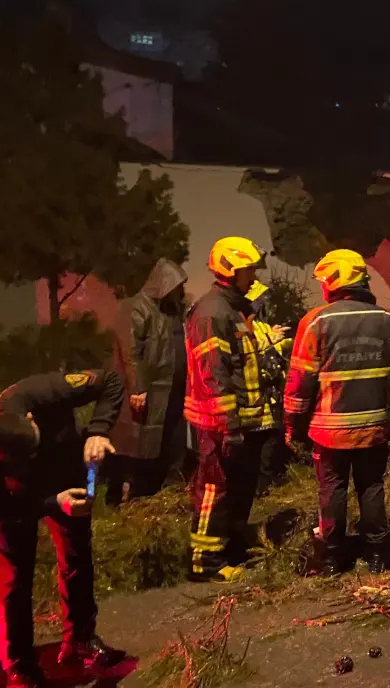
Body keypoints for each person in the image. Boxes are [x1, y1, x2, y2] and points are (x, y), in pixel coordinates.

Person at [0, 370, 127, 687]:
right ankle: (18, 664)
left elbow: (111, 381)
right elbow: (2, 513)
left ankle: (80, 640)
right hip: (17, 497)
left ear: (30, 417)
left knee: (77, 555)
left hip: (62, 471)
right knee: (15, 574)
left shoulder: (42, 391)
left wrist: (98, 431)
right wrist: (51, 503)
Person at [284, 249, 390, 575]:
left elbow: (299, 383)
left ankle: (332, 557)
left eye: (324, 281)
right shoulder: (385, 320)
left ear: (334, 282)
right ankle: (378, 554)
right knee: (371, 486)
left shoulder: (316, 322)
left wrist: (293, 426)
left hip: (329, 431)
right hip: (374, 426)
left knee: (332, 489)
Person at [183, 236, 277, 583]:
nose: (253, 276)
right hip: (219, 423)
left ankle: (232, 550)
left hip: (242, 420)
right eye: (248, 270)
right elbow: (213, 373)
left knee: (238, 488)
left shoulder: (233, 308)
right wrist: (228, 424)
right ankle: (205, 563)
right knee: (214, 490)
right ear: (230, 271)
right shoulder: (212, 313)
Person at [106, 258, 190, 506]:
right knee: (141, 441)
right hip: (150, 390)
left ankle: (170, 484)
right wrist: (137, 388)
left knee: (171, 436)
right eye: (176, 285)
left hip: (173, 389)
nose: (179, 291)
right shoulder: (136, 307)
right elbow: (130, 351)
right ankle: (134, 493)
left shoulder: (168, 311)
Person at [244, 280, 294, 495]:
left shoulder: (260, 324)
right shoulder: (242, 324)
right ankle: (260, 483)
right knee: (262, 438)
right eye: (259, 299)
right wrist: (271, 338)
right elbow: (249, 347)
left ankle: (269, 477)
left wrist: (287, 341)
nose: (263, 302)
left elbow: (271, 347)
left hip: (270, 390)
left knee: (272, 434)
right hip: (255, 390)